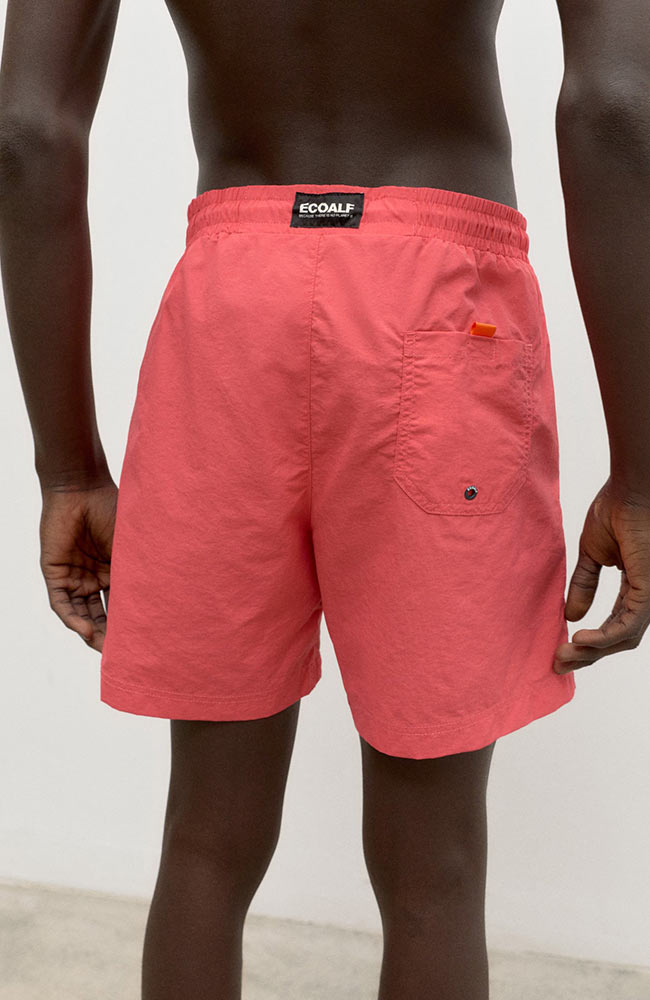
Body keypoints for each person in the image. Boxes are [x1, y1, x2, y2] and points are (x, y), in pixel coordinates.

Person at [1, 1, 649, 997]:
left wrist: (69, 468)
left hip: (233, 301)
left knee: (205, 838)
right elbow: (613, 106)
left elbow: (27, 132)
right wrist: (640, 473)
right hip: (443, 301)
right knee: (434, 867)